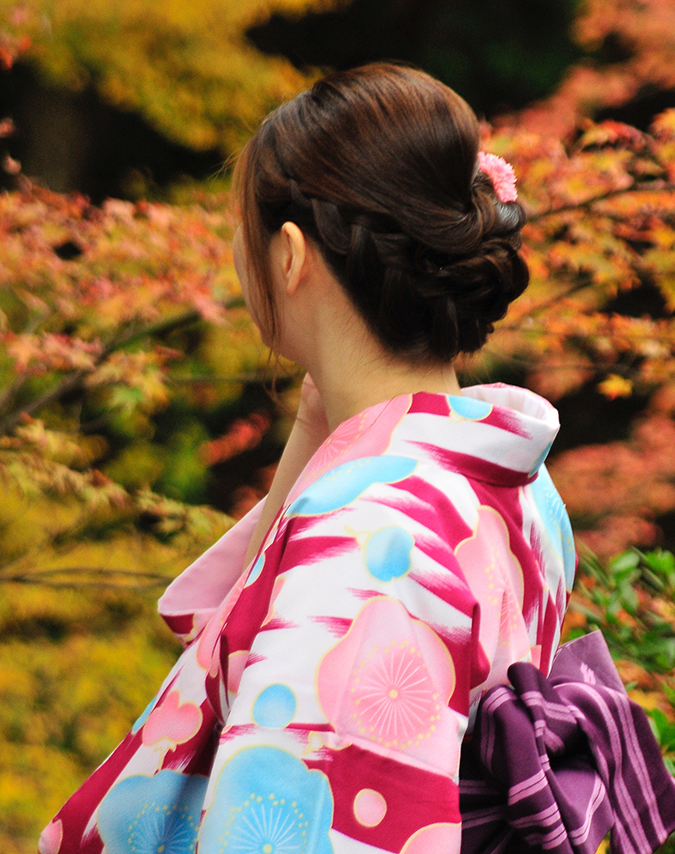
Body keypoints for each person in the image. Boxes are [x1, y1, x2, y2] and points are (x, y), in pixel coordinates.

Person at [39, 63, 577, 854]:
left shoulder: (367, 536)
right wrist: (315, 441)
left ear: (289, 256)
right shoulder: (503, 472)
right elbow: (235, 652)